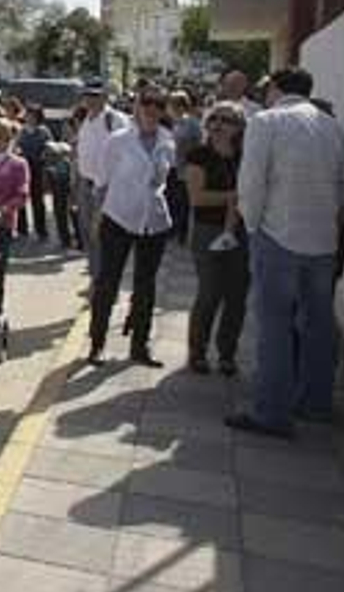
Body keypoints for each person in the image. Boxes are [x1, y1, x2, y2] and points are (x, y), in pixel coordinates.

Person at [227, 67, 344, 438]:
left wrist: (253, 226)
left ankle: (271, 412)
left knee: (274, 327)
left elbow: (251, 183)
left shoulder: (266, 122)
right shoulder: (331, 127)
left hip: (276, 236)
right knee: (318, 325)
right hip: (322, 243)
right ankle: (316, 404)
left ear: (274, 89)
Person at [87, 86, 174, 367]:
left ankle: (140, 344)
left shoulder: (167, 140)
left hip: (153, 220)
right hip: (118, 217)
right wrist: (97, 217)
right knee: (107, 282)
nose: (151, 110)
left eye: (157, 105)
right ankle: (97, 343)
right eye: (145, 104)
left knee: (146, 286)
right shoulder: (118, 140)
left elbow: (163, 181)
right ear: (136, 107)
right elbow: (102, 182)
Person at [184, 102, 248, 376]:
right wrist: (233, 197)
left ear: (239, 127)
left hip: (241, 232)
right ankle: (197, 352)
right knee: (209, 293)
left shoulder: (246, 156)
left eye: (228, 120)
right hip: (207, 230)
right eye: (215, 119)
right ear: (207, 124)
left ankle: (227, 354)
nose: (220, 124)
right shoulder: (199, 155)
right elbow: (197, 198)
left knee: (236, 296)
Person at [75, 84, 129, 280]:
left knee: (102, 233)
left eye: (95, 95)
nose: (90, 99)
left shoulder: (114, 119)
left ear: (105, 97)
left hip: (106, 186)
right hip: (85, 181)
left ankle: (105, 276)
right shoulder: (86, 119)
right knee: (87, 231)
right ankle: (95, 273)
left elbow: (125, 152)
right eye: (87, 95)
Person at [166, 91, 201, 245]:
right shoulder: (175, 122)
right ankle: (174, 230)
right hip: (173, 167)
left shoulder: (191, 123)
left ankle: (182, 233)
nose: (169, 108)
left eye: (172, 105)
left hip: (185, 169)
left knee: (183, 203)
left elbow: (196, 146)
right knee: (173, 200)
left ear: (180, 106)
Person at [15, 106, 55, 241]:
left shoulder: (43, 131)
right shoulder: (21, 130)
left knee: (38, 200)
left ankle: (41, 230)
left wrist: (43, 154)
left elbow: (50, 147)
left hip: (38, 167)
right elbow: (16, 146)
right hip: (23, 166)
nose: (29, 117)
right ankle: (22, 229)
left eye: (32, 115)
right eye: (28, 114)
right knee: (21, 197)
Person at [44, 140, 77, 249]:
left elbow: (67, 181)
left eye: (52, 153)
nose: (49, 156)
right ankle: (65, 240)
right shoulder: (50, 165)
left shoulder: (65, 163)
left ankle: (72, 240)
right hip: (58, 195)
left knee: (69, 215)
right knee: (60, 216)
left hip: (65, 194)